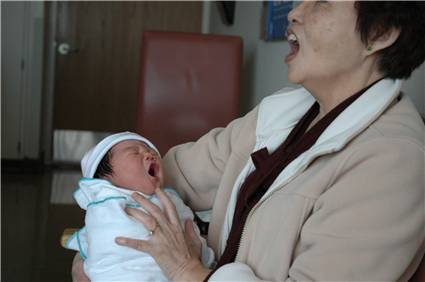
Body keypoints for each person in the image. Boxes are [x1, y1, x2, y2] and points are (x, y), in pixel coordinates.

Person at [73, 1, 425, 281]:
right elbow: (171, 174)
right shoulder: (285, 110)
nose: (295, 12)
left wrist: (187, 272)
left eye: (322, 2)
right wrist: (100, 246)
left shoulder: (394, 161)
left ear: (380, 33)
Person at [66, 132, 214, 281]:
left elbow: (191, 232)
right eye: (135, 152)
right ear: (105, 178)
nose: (150, 154)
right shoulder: (105, 206)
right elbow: (96, 242)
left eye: (151, 151)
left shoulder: (171, 198)